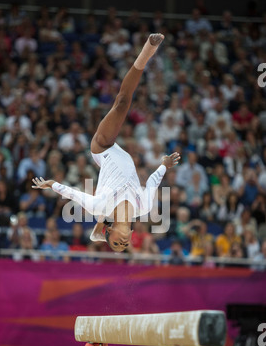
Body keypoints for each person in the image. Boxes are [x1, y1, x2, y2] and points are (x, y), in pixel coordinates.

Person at [32, 34, 181, 252]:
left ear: (109, 233)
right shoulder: (144, 207)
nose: (123, 242)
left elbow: (73, 193)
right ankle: (146, 54)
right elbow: (152, 183)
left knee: (121, 103)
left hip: (102, 149)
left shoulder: (99, 206)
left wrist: (51, 184)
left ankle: (147, 51)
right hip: (120, 158)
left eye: (116, 243)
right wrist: (163, 165)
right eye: (125, 244)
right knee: (123, 105)